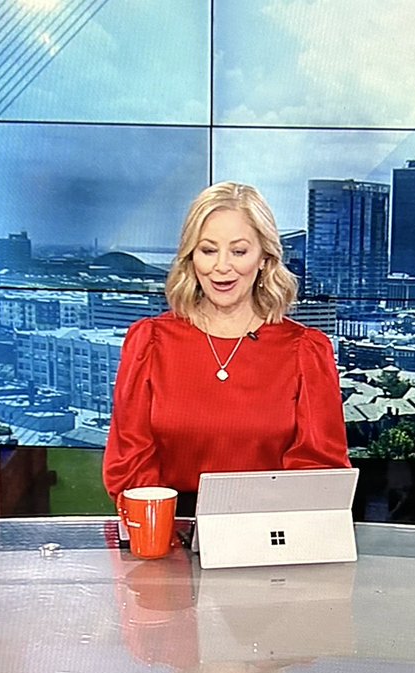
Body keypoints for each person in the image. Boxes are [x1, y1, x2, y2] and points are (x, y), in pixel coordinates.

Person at [103, 181, 349, 505]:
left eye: (239, 251)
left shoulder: (305, 350)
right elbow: (129, 464)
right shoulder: (150, 343)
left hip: (269, 532)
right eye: (208, 250)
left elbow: (319, 471)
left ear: (264, 258)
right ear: (191, 257)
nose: (221, 267)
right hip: (169, 529)